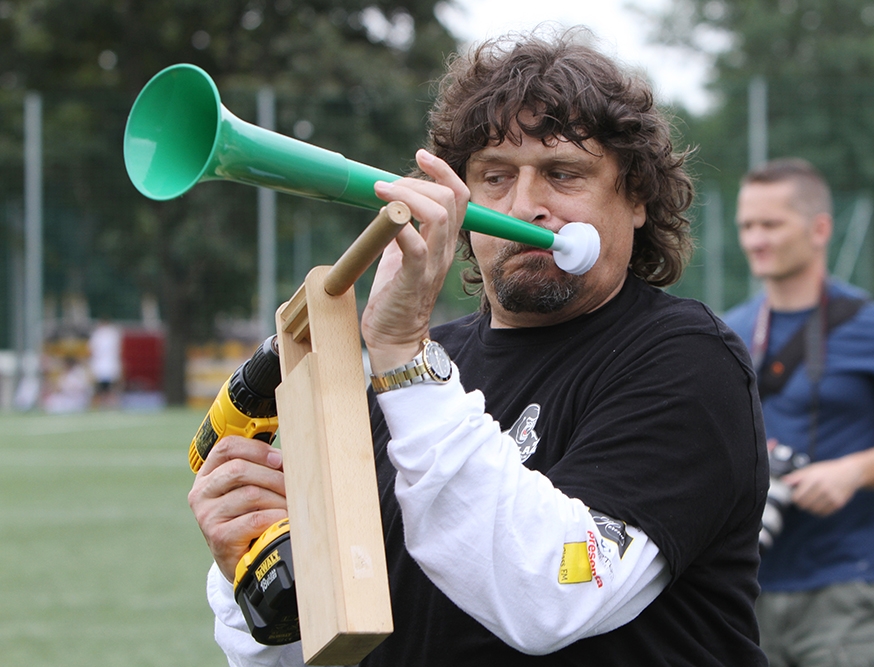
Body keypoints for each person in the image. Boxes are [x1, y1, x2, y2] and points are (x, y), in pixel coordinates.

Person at [189, 29, 769, 666]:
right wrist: (256, 572)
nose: (524, 207)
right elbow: (330, 650)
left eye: (562, 174)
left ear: (636, 198)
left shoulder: (688, 360)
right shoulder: (406, 376)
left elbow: (551, 596)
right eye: (495, 177)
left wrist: (403, 358)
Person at [723, 158, 874, 667]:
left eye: (771, 224)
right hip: (742, 587)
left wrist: (853, 471)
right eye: (747, 225)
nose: (755, 239)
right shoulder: (728, 330)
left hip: (841, 586)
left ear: (820, 229)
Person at [88, 319, 122, 407]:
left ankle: (104, 403)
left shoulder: (99, 334)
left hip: (103, 365)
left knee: (102, 388)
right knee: (106, 388)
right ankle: (108, 404)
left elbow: (91, 350)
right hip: (107, 365)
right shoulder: (112, 334)